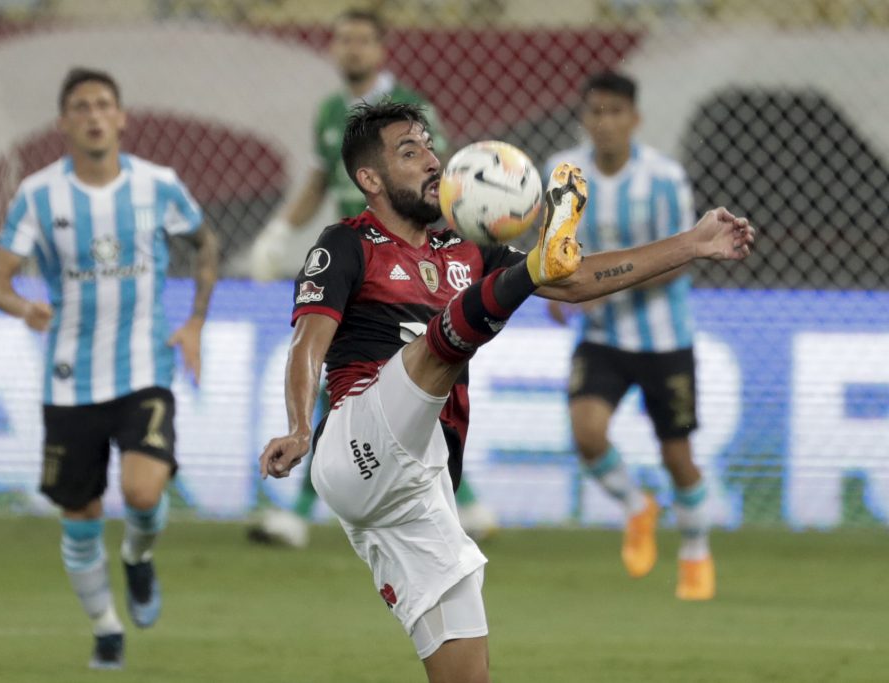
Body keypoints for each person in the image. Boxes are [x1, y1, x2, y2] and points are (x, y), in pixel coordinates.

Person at [259, 101, 753, 682]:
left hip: (420, 491)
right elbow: (306, 344)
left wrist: (691, 245)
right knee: (443, 342)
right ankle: (527, 268)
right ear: (369, 179)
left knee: (467, 676)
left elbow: (577, 282)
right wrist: (297, 426)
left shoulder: (466, 248)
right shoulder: (346, 244)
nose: (431, 159)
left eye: (429, 145)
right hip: (358, 442)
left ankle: (531, 265)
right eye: (409, 151)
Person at [0, 67, 219, 669]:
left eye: (103, 105)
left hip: (144, 368)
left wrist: (193, 321)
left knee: (143, 492)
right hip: (69, 380)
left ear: (121, 118)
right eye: (81, 106)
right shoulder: (39, 194)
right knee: (81, 516)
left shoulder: (158, 185)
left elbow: (205, 244)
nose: (93, 115)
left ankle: (139, 559)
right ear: (64, 122)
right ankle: (105, 625)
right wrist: (18, 305)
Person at [248, 8, 497, 547]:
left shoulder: (410, 108)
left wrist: (456, 249)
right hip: (358, 252)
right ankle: (455, 502)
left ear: (382, 49)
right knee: (352, 384)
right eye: (342, 39)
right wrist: (277, 232)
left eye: (362, 40)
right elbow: (317, 179)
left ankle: (457, 497)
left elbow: (441, 182)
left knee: (412, 382)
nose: (351, 49)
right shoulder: (329, 111)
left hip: (407, 255)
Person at [545, 71, 714, 600]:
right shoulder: (563, 173)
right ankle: (637, 505)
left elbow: (683, 255)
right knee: (587, 433)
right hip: (602, 338)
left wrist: (603, 292)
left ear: (635, 119)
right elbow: (557, 247)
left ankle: (694, 550)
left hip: (665, 338)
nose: (605, 122)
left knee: (677, 456)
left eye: (616, 112)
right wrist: (554, 290)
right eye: (595, 111)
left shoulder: (664, 178)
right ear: (584, 118)